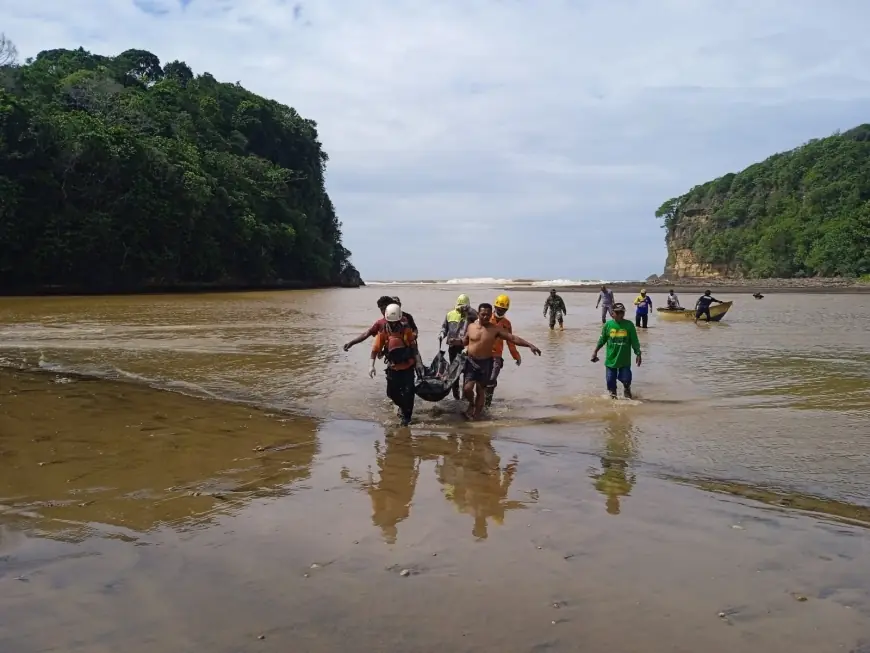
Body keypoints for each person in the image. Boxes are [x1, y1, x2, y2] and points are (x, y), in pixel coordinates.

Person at [463, 303, 541, 420]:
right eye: (483, 314)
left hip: (485, 363)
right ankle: (472, 403)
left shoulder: (495, 329)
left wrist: (530, 345)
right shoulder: (471, 327)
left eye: (488, 315)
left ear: (491, 315)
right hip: (471, 361)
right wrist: (455, 341)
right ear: (478, 314)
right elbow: (464, 341)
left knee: (481, 390)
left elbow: (513, 338)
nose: (485, 317)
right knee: (467, 389)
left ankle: (476, 416)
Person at [369, 304, 425, 426]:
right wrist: (371, 365)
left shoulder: (406, 330)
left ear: (400, 319)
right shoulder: (384, 332)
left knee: (409, 392)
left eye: (395, 322)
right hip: (393, 368)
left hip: (408, 367)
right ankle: (403, 407)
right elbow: (375, 349)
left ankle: (407, 418)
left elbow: (413, 347)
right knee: (392, 394)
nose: (393, 324)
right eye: (390, 322)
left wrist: (419, 363)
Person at [591, 302, 642, 399]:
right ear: (612, 313)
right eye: (617, 312)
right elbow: (602, 340)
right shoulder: (608, 325)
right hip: (611, 360)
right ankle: (613, 403)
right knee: (610, 383)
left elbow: (635, 341)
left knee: (626, 380)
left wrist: (638, 353)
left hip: (624, 360)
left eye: (622, 312)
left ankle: (627, 391)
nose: (620, 315)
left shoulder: (629, 325)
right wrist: (595, 351)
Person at [485, 294, 522, 407]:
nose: (500, 312)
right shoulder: (485, 318)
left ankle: (487, 406)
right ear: (494, 307)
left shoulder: (507, 324)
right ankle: (476, 403)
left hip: (497, 355)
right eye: (499, 309)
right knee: (480, 381)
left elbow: (510, 341)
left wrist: (516, 356)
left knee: (491, 380)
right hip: (483, 354)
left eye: (503, 310)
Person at [439, 294, 478, 399]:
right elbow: (444, 328)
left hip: (466, 348)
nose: (461, 309)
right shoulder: (450, 314)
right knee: (454, 373)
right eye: (459, 307)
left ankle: (465, 396)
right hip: (453, 348)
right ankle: (456, 397)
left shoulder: (471, 316)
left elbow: (477, 316)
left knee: (467, 372)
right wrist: (442, 334)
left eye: (463, 306)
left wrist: (467, 310)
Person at [343, 295, 417, 351]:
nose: (383, 311)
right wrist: (351, 343)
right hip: (392, 355)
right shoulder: (380, 323)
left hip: (409, 351)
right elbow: (366, 334)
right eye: (381, 309)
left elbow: (414, 331)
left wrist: (413, 335)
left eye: (385, 308)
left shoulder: (406, 318)